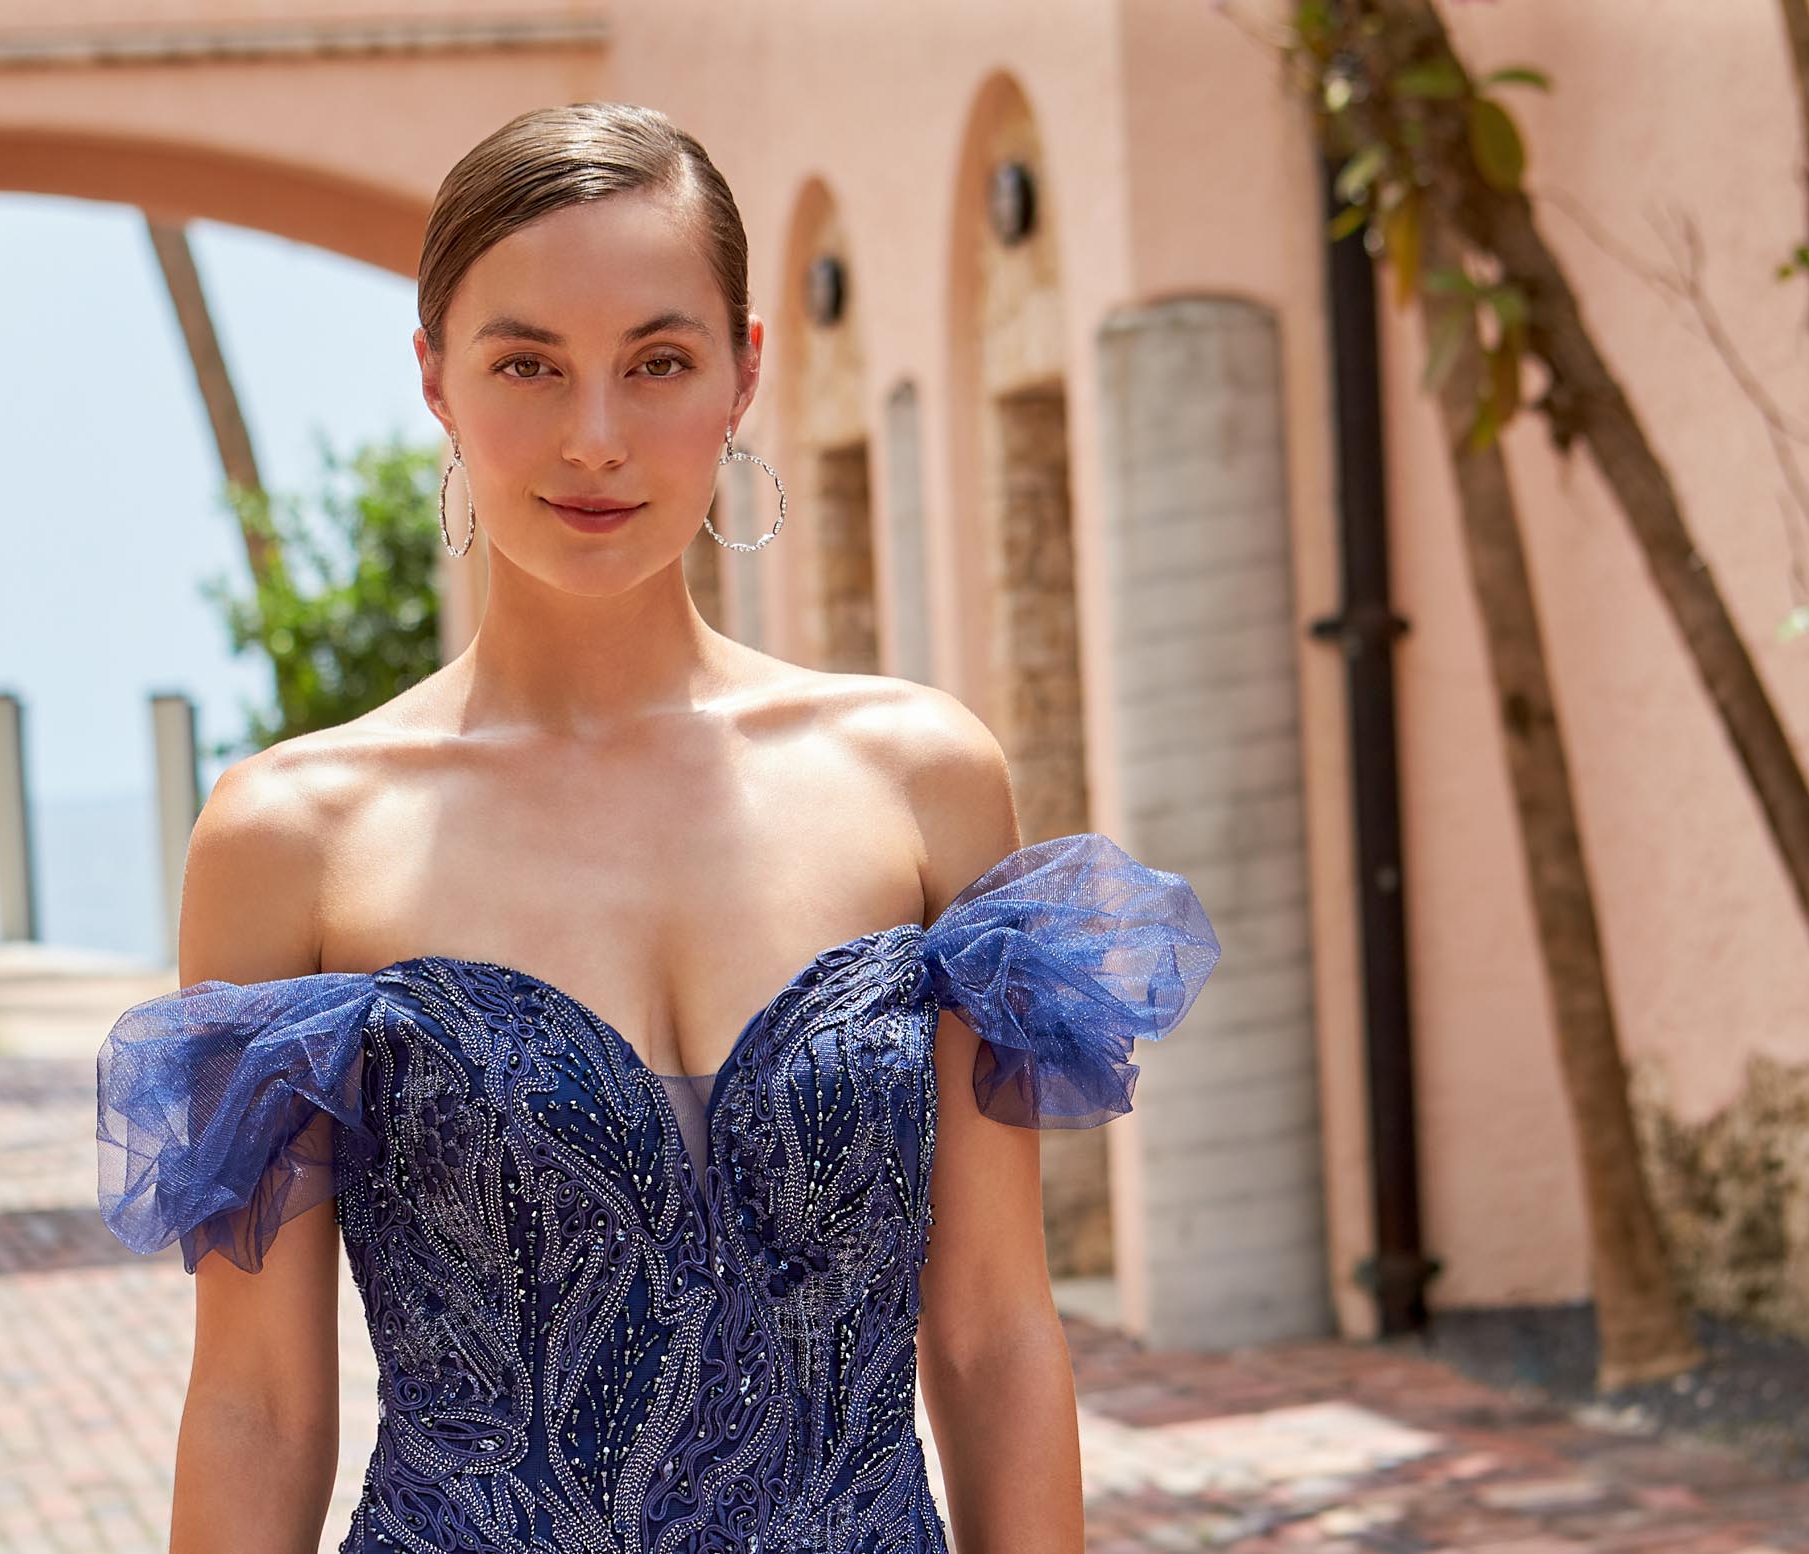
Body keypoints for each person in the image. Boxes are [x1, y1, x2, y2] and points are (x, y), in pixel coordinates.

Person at [97, 100, 1219, 1554]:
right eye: (528, 365)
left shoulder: (919, 779)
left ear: (744, 373)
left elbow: (997, 1331)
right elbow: (259, 1400)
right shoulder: (292, 836)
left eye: (658, 362)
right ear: (435, 378)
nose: (596, 437)